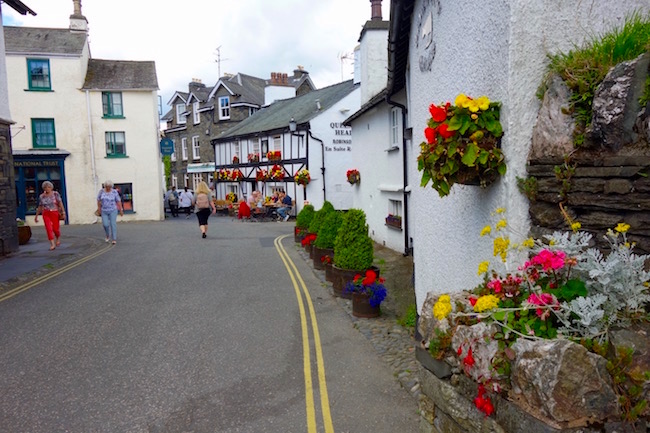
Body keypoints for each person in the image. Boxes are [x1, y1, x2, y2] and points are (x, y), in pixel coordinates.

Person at [34, 180, 65, 250]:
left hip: (54, 212)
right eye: (45, 187)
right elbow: (40, 206)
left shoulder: (55, 194)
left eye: (48, 187)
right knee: (48, 228)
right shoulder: (41, 196)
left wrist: (63, 212)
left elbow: (60, 203)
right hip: (46, 213)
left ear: (51, 188)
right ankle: (52, 244)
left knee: (55, 229)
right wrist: (36, 216)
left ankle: (57, 238)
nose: (47, 188)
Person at [97, 180, 123, 245]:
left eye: (109, 186)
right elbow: (98, 200)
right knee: (105, 224)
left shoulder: (114, 192)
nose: (108, 188)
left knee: (113, 224)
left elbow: (118, 201)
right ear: (105, 186)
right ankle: (107, 235)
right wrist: (99, 208)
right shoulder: (101, 191)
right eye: (107, 186)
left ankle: (114, 239)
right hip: (104, 210)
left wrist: (121, 210)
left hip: (113, 210)